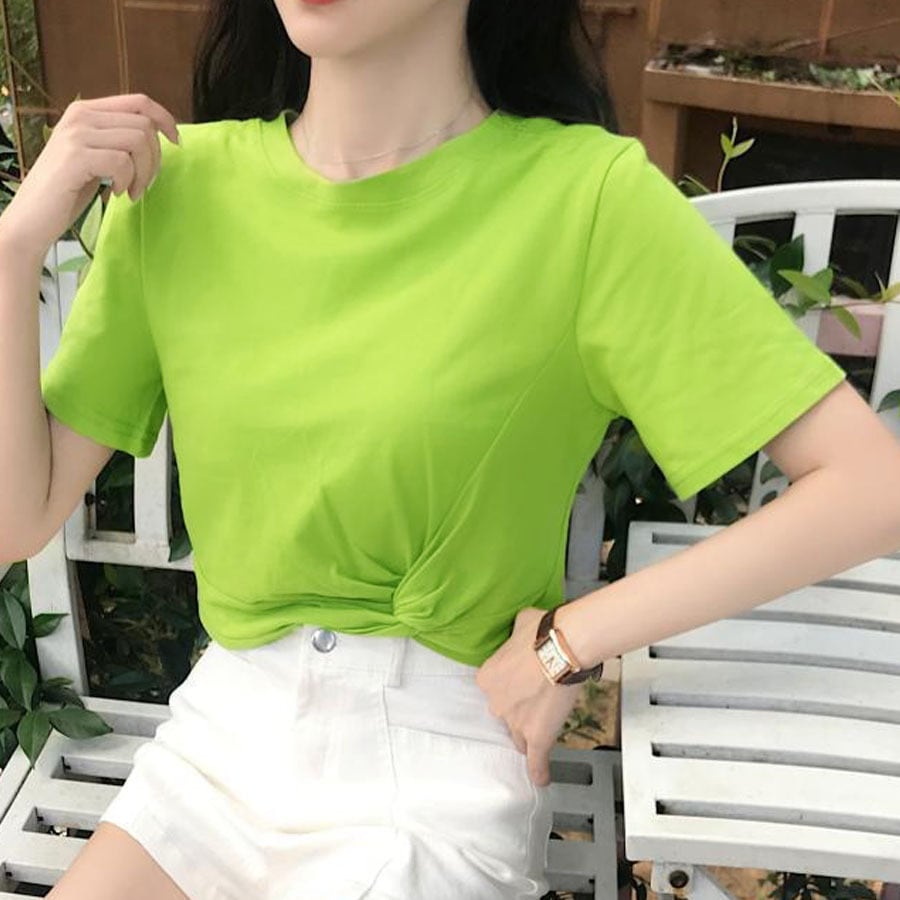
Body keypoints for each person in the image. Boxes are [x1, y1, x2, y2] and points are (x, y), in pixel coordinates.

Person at [3, 0, 900, 898]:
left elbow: (871, 486)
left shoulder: (584, 199)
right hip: (218, 742)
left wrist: (574, 639)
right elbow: (19, 518)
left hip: (428, 773)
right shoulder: (179, 189)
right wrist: (12, 251)